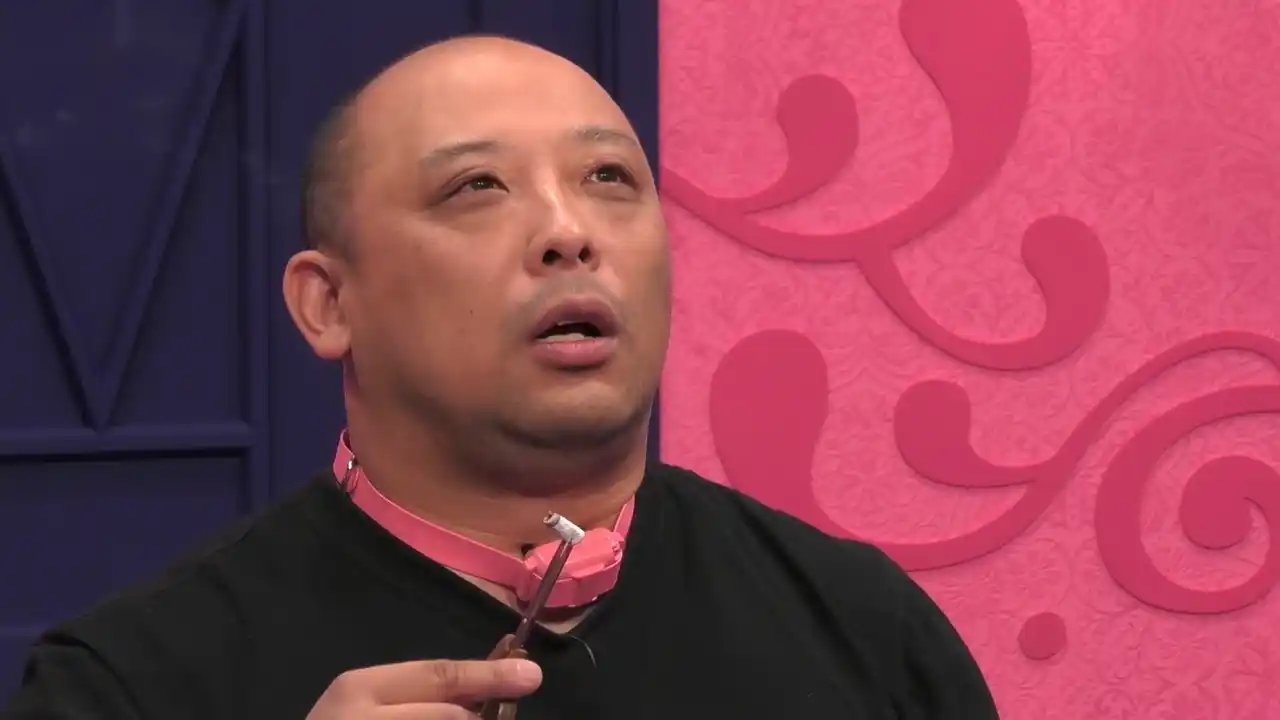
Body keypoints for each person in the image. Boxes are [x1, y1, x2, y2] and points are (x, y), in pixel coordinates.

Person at [2, 36, 998, 719]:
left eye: (609, 179)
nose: (568, 232)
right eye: (476, 186)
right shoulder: (125, 684)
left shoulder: (862, 627)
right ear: (328, 304)